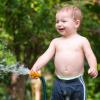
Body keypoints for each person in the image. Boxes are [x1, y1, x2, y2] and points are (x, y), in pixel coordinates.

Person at [31, 5, 98, 100]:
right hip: (59, 83)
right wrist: (36, 67)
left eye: (63, 21)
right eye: (57, 21)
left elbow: (90, 56)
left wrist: (93, 67)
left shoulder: (82, 41)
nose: (59, 24)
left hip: (76, 83)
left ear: (76, 23)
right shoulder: (55, 42)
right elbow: (45, 56)